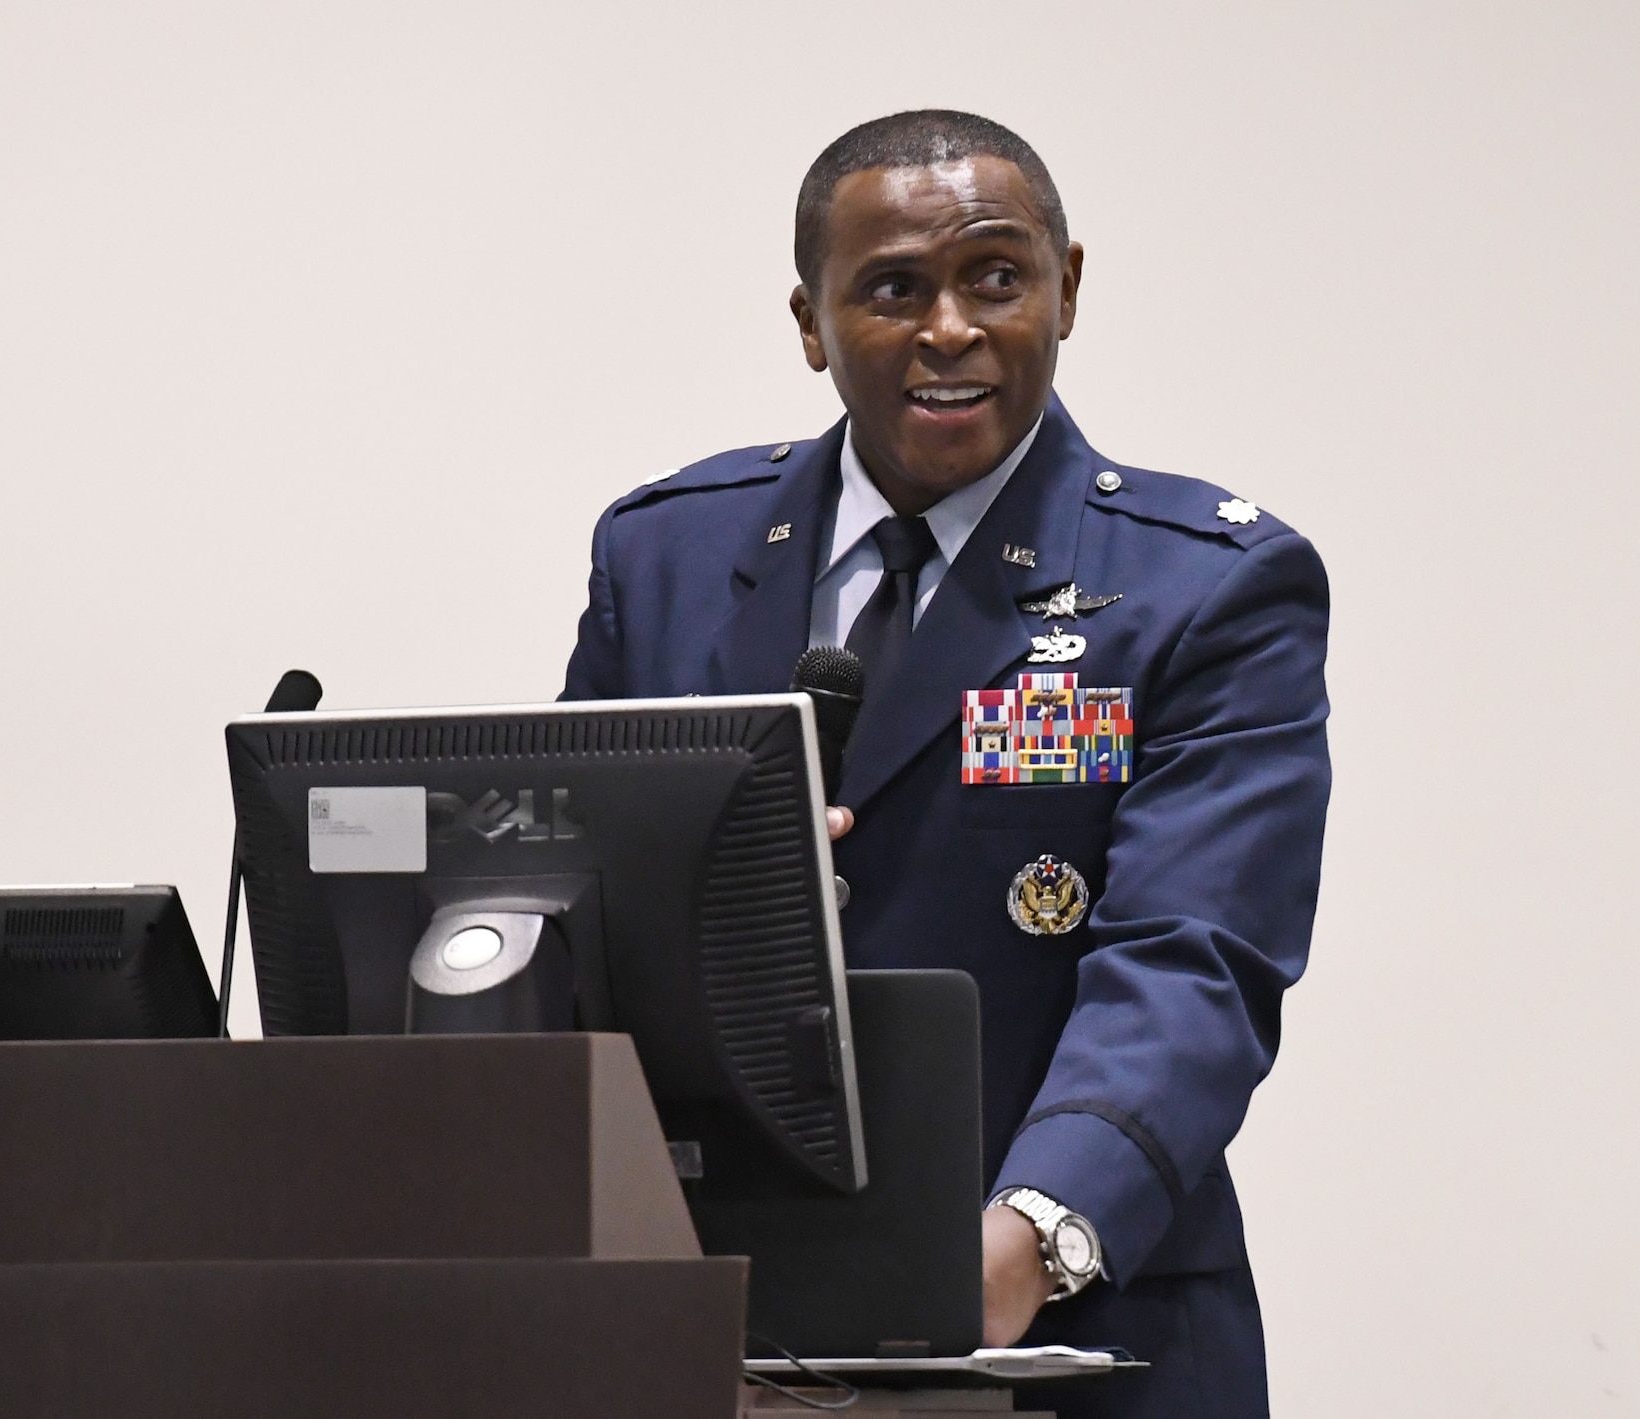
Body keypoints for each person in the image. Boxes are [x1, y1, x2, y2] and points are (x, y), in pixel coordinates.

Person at [561, 109, 1329, 1419]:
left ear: (1066, 288)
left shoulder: (1204, 588)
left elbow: (1190, 965)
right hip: (712, 1324)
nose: (951, 330)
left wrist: (1029, 1238)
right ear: (810, 324)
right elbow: (581, 915)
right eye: (892, 289)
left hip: (1072, 1332)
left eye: (995, 276)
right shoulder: (668, 557)